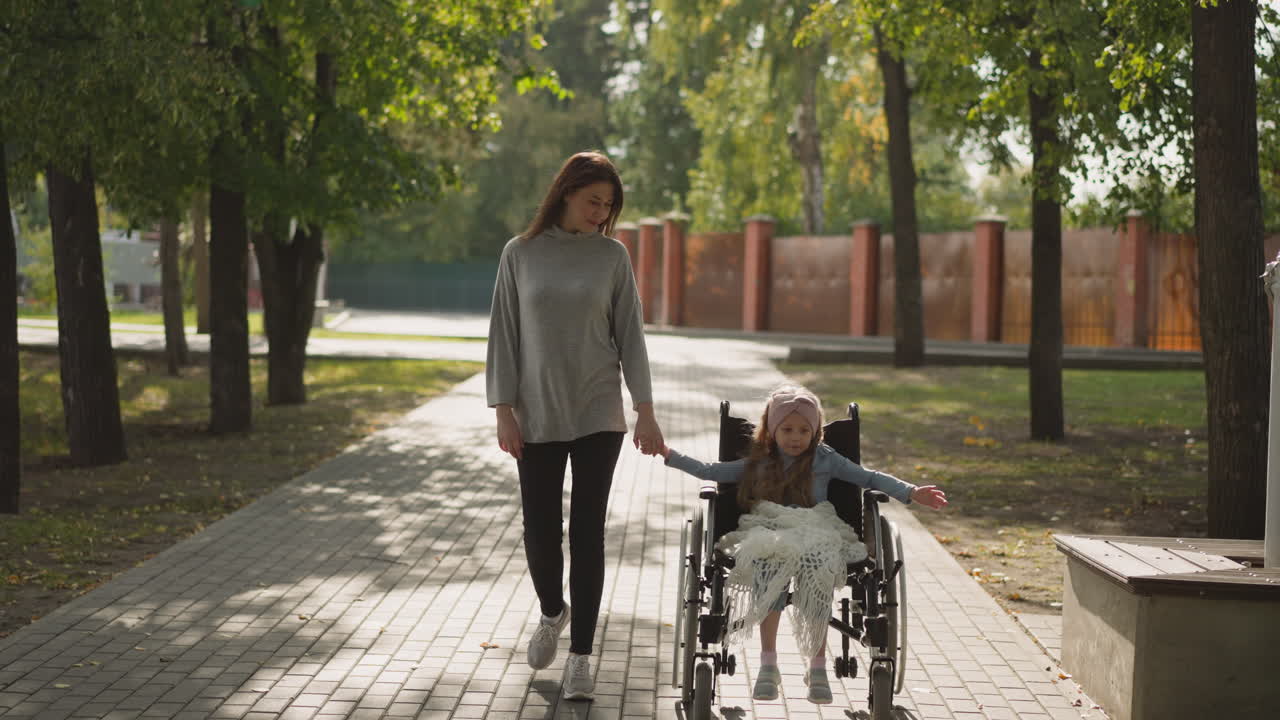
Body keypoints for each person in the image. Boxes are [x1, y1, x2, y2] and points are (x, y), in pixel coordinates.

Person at [486, 150, 665, 701]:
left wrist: (646, 409)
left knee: (586, 533)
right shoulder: (520, 253)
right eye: (594, 200)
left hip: (596, 412)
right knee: (540, 532)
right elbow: (504, 332)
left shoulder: (612, 256)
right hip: (536, 413)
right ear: (566, 192)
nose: (600, 212)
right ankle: (551, 612)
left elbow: (630, 334)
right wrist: (503, 408)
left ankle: (582, 657)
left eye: (608, 205)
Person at [659, 385, 947, 704]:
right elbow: (710, 471)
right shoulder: (760, 461)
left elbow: (869, 478)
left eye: (804, 431)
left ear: (816, 432)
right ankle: (769, 664)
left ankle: (818, 665)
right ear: (771, 429)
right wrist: (669, 455)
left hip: (816, 527)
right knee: (769, 560)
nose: (795, 437)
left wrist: (911, 492)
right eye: (787, 429)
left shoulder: (826, 458)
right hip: (770, 526)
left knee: (818, 567)